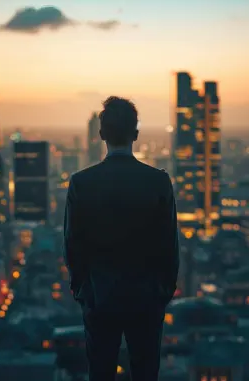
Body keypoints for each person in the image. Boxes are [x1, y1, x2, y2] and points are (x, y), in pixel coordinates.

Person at [63, 96, 180, 381]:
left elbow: (72, 246)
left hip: (99, 297)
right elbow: (170, 249)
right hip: (146, 299)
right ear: (136, 135)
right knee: (145, 373)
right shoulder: (158, 182)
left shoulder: (81, 183)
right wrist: (161, 294)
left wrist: (84, 293)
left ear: (101, 135)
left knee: (100, 373)